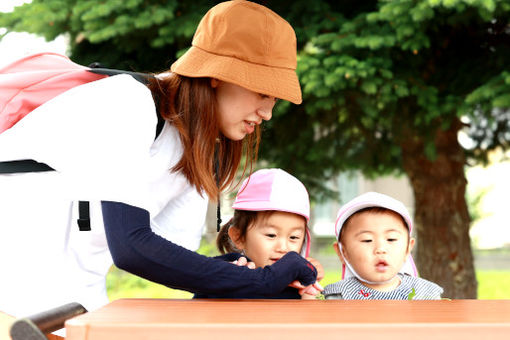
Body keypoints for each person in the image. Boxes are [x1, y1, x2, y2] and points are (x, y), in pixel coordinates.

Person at [0, 0, 319, 321]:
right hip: (20, 271)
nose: (267, 113)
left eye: (274, 99)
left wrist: (273, 273)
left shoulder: (201, 150)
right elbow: (133, 249)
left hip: (76, 287)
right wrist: (261, 280)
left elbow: (173, 258)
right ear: (217, 76)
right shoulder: (127, 103)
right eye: (264, 93)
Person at [195, 168, 324, 299]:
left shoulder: (296, 278)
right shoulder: (228, 269)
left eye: (294, 237)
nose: (283, 248)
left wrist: (309, 287)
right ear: (239, 237)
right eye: (271, 235)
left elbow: (307, 316)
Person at [323, 192, 443, 300]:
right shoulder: (336, 296)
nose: (380, 249)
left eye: (391, 239)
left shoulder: (426, 294)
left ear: (408, 248)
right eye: (367, 240)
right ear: (343, 252)